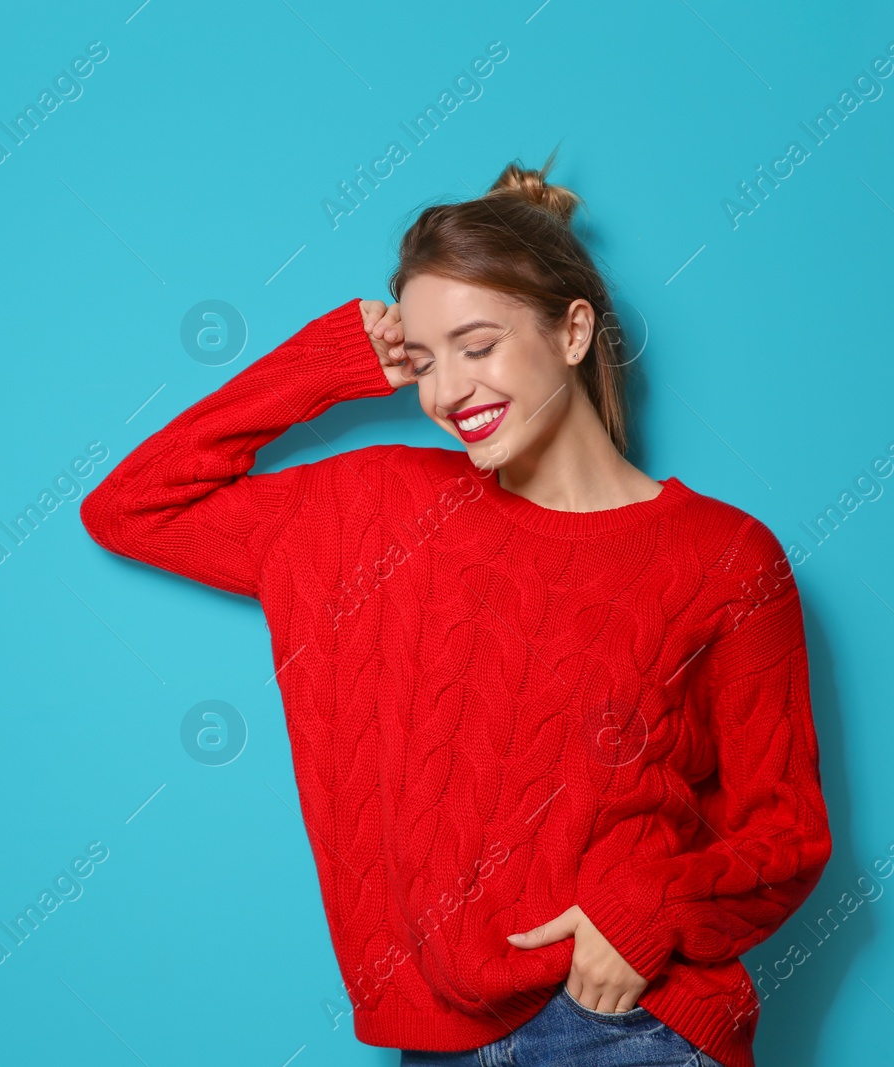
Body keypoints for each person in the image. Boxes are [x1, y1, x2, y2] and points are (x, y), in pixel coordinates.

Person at [79, 152, 832, 1067]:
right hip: (433, 1039)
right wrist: (325, 363)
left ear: (573, 331)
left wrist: (653, 909)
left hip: (631, 1028)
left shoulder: (724, 557)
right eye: (426, 361)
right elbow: (132, 507)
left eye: (478, 346)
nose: (446, 392)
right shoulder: (375, 510)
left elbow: (785, 832)